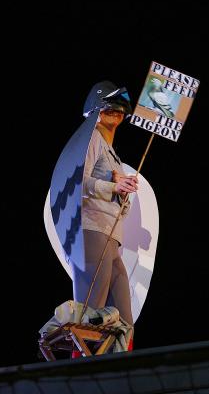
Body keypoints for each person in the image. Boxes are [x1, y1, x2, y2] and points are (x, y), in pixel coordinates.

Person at [74, 81, 138, 330]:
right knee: (92, 310)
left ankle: (124, 366)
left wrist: (123, 193)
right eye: (109, 107)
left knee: (123, 320)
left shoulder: (113, 154)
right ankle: (84, 367)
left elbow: (119, 202)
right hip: (92, 229)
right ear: (95, 110)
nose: (117, 112)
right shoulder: (91, 139)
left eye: (121, 109)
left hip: (112, 236)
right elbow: (78, 181)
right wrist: (113, 187)